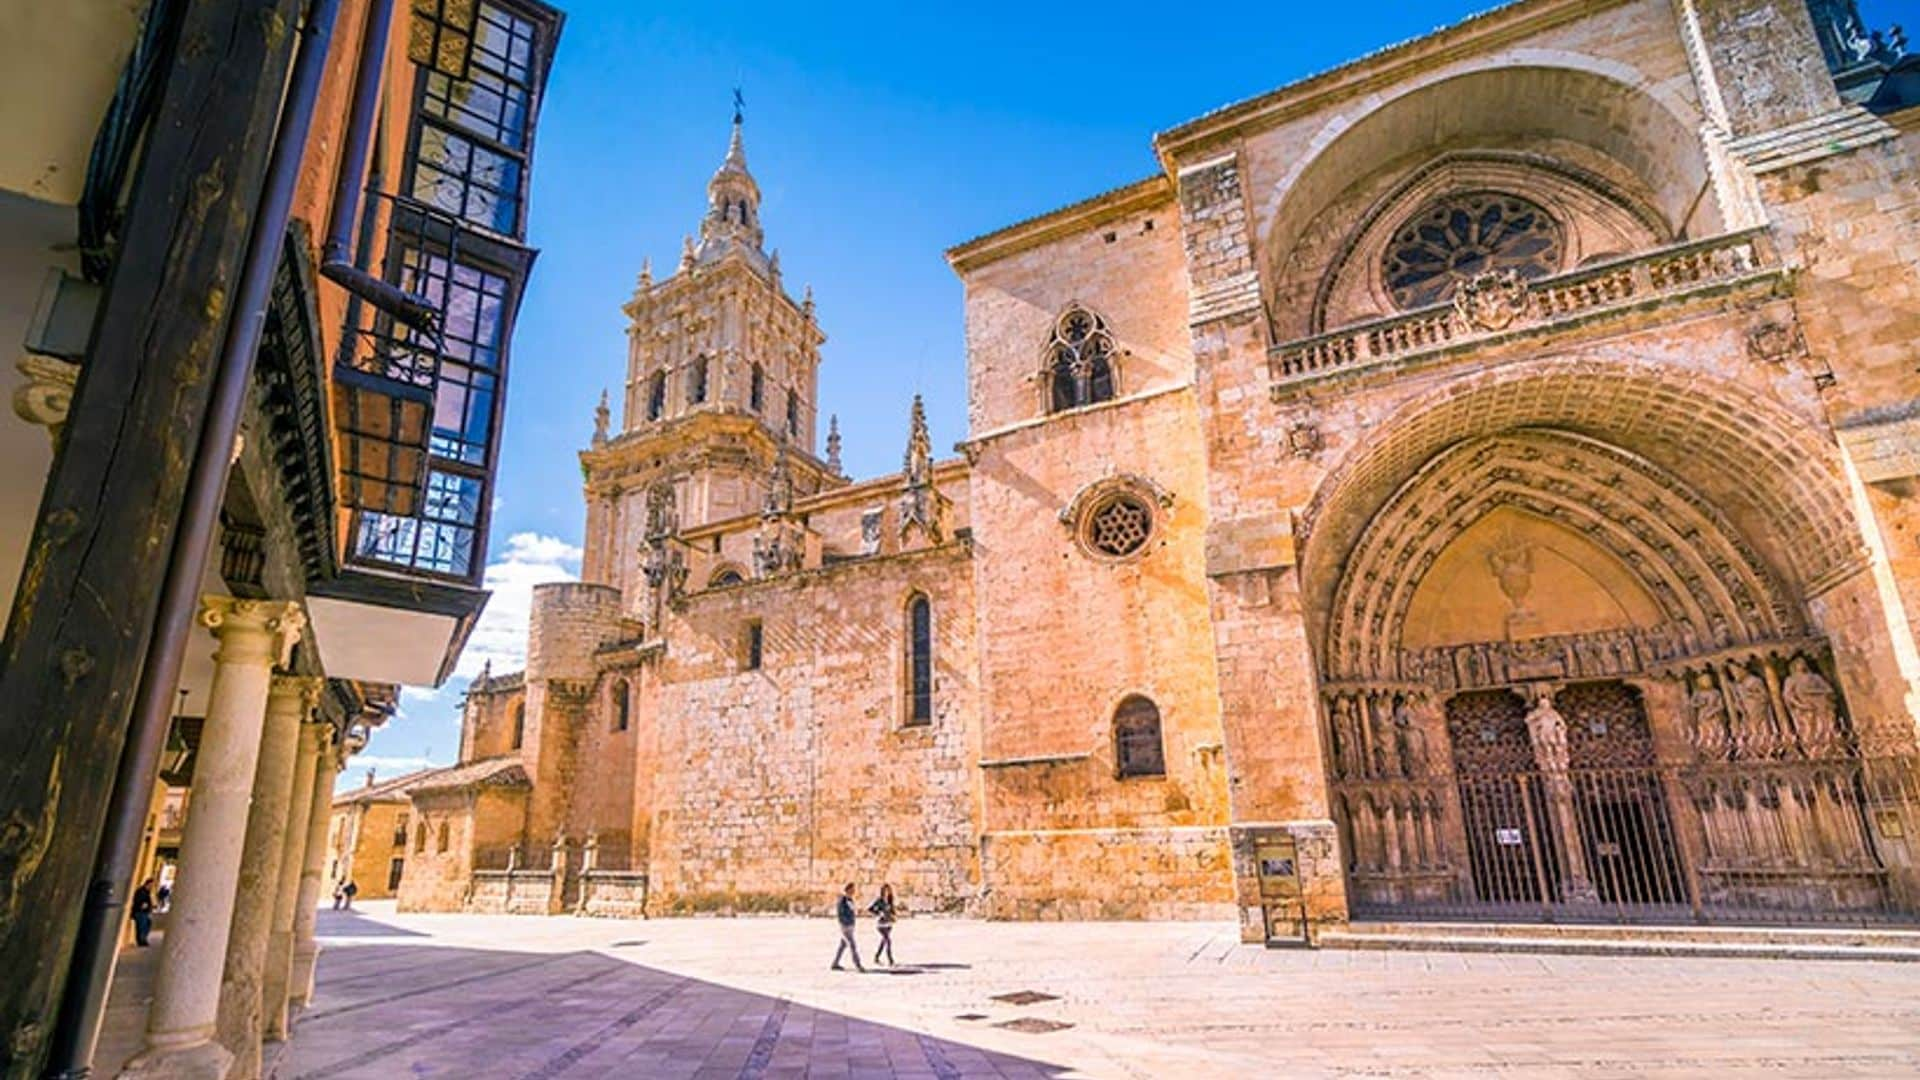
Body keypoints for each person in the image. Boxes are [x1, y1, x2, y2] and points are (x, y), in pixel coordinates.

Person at [830, 882, 864, 972]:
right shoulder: (842, 900)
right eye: (852, 889)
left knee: (842, 945)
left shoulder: (850, 900)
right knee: (852, 945)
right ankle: (858, 965)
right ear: (848, 889)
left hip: (850, 925)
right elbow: (840, 914)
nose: (854, 891)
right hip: (845, 926)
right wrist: (844, 924)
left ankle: (835, 963)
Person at [868, 883, 897, 967]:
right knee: (888, 941)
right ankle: (890, 960)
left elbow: (892, 910)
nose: (887, 892)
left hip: (888, 923)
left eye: (888, 890)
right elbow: (870, 909)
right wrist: (879, 913)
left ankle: (876, 957)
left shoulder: (890, 900)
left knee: (884, 941)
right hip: (881, 924)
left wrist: (894, 916)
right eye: (885, 890)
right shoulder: (879, 900)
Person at [130, 878, 155, 947]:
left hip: (144, 912)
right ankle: (141, 941)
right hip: (140, 912)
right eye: (151, 885)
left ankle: (143, 940)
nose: (151, 887)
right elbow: (137, 901)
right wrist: (142, 904)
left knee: (147, 925)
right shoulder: (141, 891)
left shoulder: (147, 892)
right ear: (147, 884)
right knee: (141, 927)